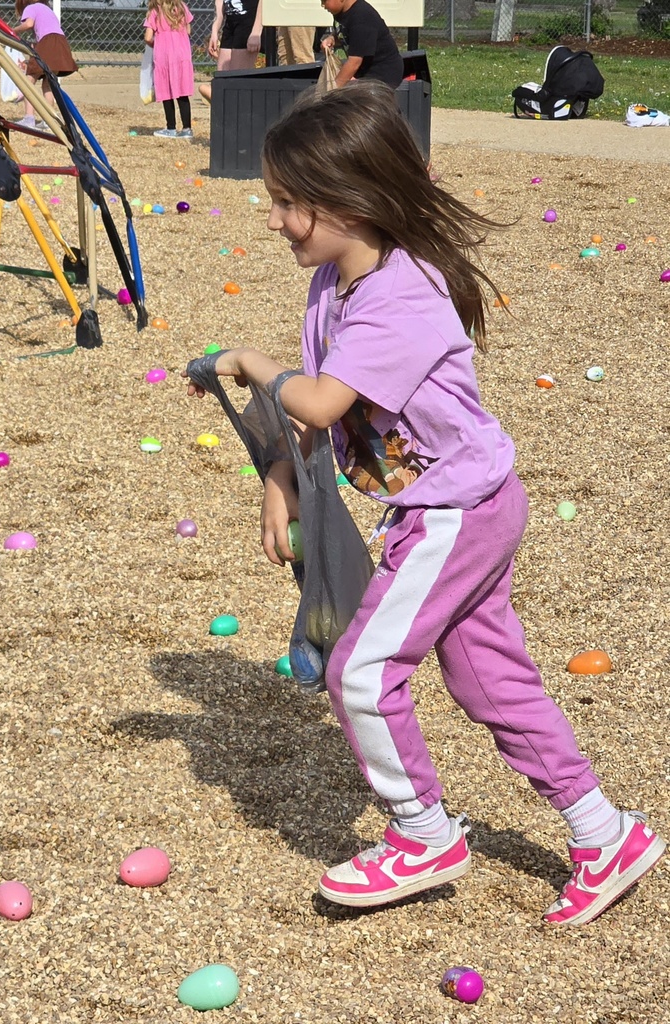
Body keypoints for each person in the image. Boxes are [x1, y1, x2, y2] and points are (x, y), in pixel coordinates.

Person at [183, 82, 665, 926]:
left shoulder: (401, 297)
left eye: (289, 203)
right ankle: (605, 833)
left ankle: (421, 835)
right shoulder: (334, 281)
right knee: (493, 684)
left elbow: (324, 400)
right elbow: (323, 416)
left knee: (361, 674)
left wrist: (246, 361)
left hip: (456, 513)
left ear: (351, 202)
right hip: (453, 505)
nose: (274, 221)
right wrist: (280, 479)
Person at [14, 0, 78, 130]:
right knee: (48, 84)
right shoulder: (47, 9)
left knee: (28, 82)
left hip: (47, 42)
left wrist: (13, 30)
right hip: (61, 43)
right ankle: (49, 120)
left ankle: (29, 118)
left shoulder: (31, 7)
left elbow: (28, 24)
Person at [318, 0, 403, 89]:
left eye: (324, 0)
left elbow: (354, 62)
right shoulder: (341, 12)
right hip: (363, 71)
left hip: (381, 74)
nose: (323, 5)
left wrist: (333, 89)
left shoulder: (362, 17)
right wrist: (332, 39)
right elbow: (345, 33)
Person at [144, 0, 195, 139]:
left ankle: (171, 127)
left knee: (166, 91)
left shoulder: (155, 11)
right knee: (182, 91)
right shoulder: (182, 7)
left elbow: (148, 37)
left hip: (164, 57)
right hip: (182, 54)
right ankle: (187, 128)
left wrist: (158, 43)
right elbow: (188, 30)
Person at [198, 0, 263, 103]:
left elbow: (264, 2)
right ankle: (226, 111)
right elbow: (219, 9)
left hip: (248, 23)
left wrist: (256, 31)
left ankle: (237, 111)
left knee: (237, 82)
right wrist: (214, 32)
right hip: (230, 24)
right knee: (222, 82)